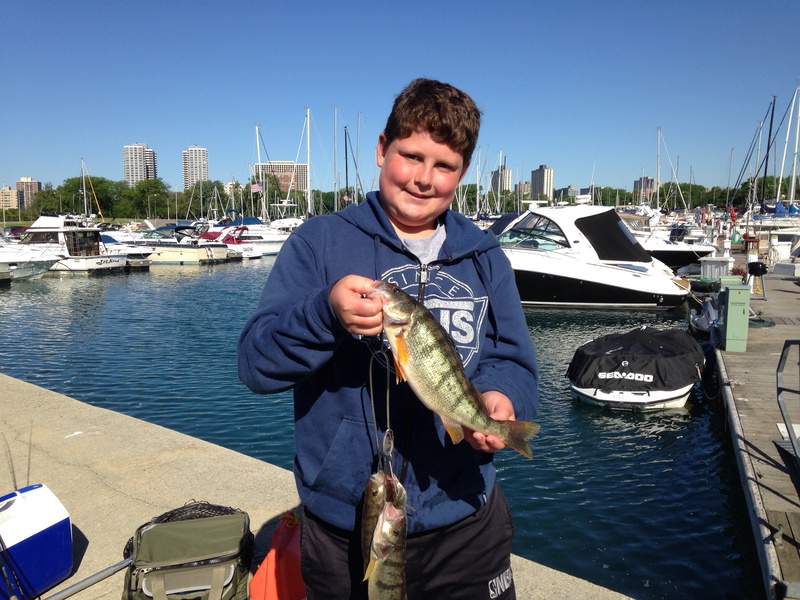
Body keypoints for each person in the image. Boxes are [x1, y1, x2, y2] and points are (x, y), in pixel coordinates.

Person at [238, 78, 538, 599]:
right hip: (348, 522)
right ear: (382, 149)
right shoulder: (319, 242)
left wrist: (502, 397)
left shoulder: (486, 256)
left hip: (465, 518)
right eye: (411, 156)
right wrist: (326, 314)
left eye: (444, 166)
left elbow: (512, 359)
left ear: (463, 172)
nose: (423, 178)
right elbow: (255, 364)